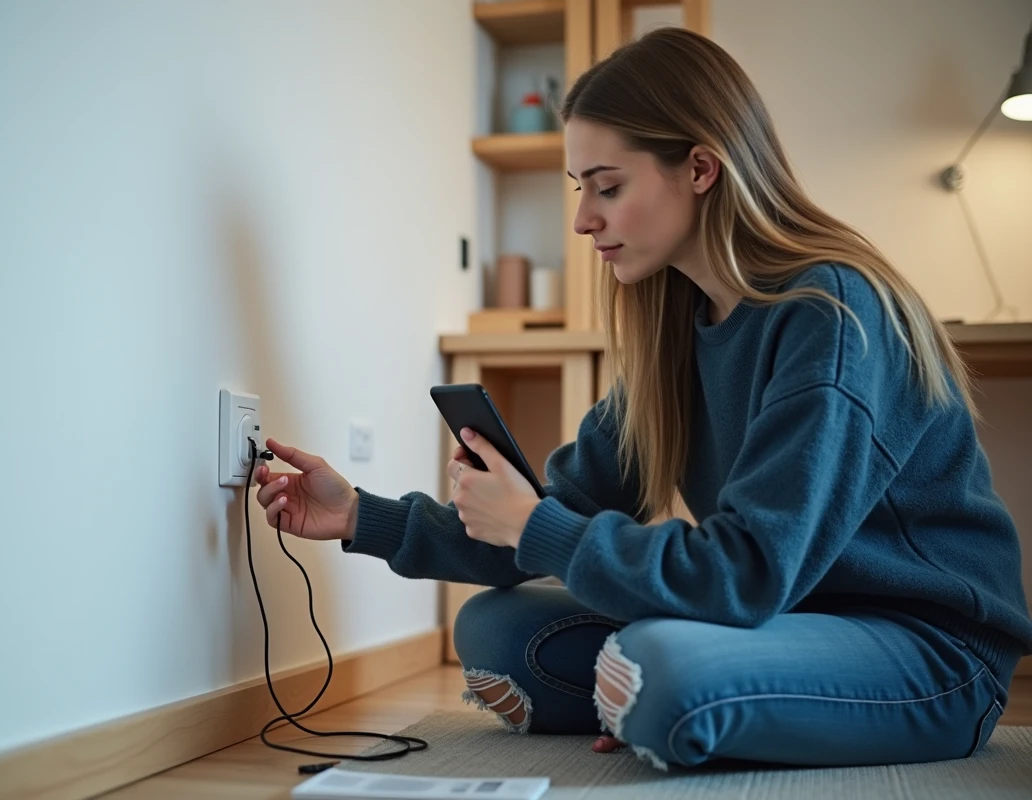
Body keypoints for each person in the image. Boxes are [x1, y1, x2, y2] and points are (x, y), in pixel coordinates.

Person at [253, 27, 1031, 770]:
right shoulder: (679, 332)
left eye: (609, 187)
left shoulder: (831, 317)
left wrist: (538, 526)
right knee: (494, 631)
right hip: (785, 619)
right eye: (580, 189)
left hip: (930, 652)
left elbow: (745, 573)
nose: (585, 220)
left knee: (660, 663)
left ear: (700, 168)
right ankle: (680, 699)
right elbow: (554, 514)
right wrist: (362, 514)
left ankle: (674, 695)